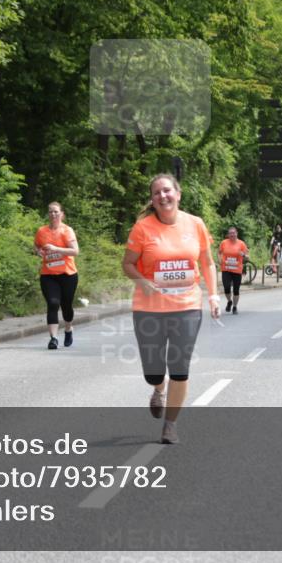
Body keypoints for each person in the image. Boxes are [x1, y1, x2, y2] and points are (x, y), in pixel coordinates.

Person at [122, 174, 220, 444]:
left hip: (187, 307)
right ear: (152, 200)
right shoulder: (142, 228)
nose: (162, 196)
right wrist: (144, 283)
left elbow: (208, 262)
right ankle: (158, 389)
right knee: (153, 370)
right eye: (156, 193)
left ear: (178, 193)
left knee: (180, 367)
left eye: (167, 191)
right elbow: (128, 263)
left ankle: (170, 425)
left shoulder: (195, 224)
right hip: (148, 309)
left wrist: (213, 296)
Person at [34, 202, 79, 349]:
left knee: (66, 306)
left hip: (68, 274)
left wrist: (56, 248)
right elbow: (36, 245)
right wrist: (38, 251)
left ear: (62, 214)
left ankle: (68, 329)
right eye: (50, 212)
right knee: (53, 303)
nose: (53, 214)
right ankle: (53, 338)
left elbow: (75, 251)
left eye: (56, 212)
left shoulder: (67, 231)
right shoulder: (41, 231)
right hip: (48, 275)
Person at [218, 227, 248, 314]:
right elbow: (219, 252)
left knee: (236, 290)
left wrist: (243, 255)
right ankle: (229, 301)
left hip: (237, 270)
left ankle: (234, 307)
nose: (232, 234)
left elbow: (247, 256)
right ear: (228, 234)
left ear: (236, 233)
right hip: (226, 269)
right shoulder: (224, 242)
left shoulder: (241, 244)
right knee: (226, 287)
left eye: (233, 233)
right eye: (230, 233)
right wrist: (219, 260)